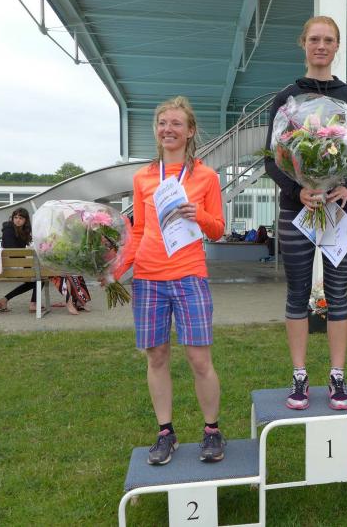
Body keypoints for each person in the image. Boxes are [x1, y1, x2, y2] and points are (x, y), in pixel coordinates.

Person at [264, 16, 347, 411]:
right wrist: (299, 189)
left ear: (337, 45)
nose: (321, 46)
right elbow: (271, 159)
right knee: (297, 293)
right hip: (297, 211)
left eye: (328, 40)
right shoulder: (286, 98)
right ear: (303, 43)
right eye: (314, 39)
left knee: (338, 295)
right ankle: (299, 375)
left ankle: (337, 376)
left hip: (340, 211)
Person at [113, 96, 226, 465]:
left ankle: (212, 430)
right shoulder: (143, 177)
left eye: (176, 123)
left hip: (190, 276)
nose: (168, 129)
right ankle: (166, 432)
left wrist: (200, 215)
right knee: (157, 356)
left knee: (199, 358)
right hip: (148, 278)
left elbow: (218, 229)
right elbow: (138, 230)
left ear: (190, 131)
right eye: (163, 123)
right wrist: (116, 268)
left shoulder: (206, 177)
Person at [0, 208, 43, 313]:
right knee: (40, 277)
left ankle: (4, 300)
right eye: (15, 217)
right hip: (11, 265)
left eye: (20, 218)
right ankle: (33, 304)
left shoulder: (23, 231)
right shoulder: (9, 229)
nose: (17, 220)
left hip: (17, 263)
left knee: (38, 277)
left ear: (25, 220)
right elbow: (12, 251)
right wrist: (26, 262)